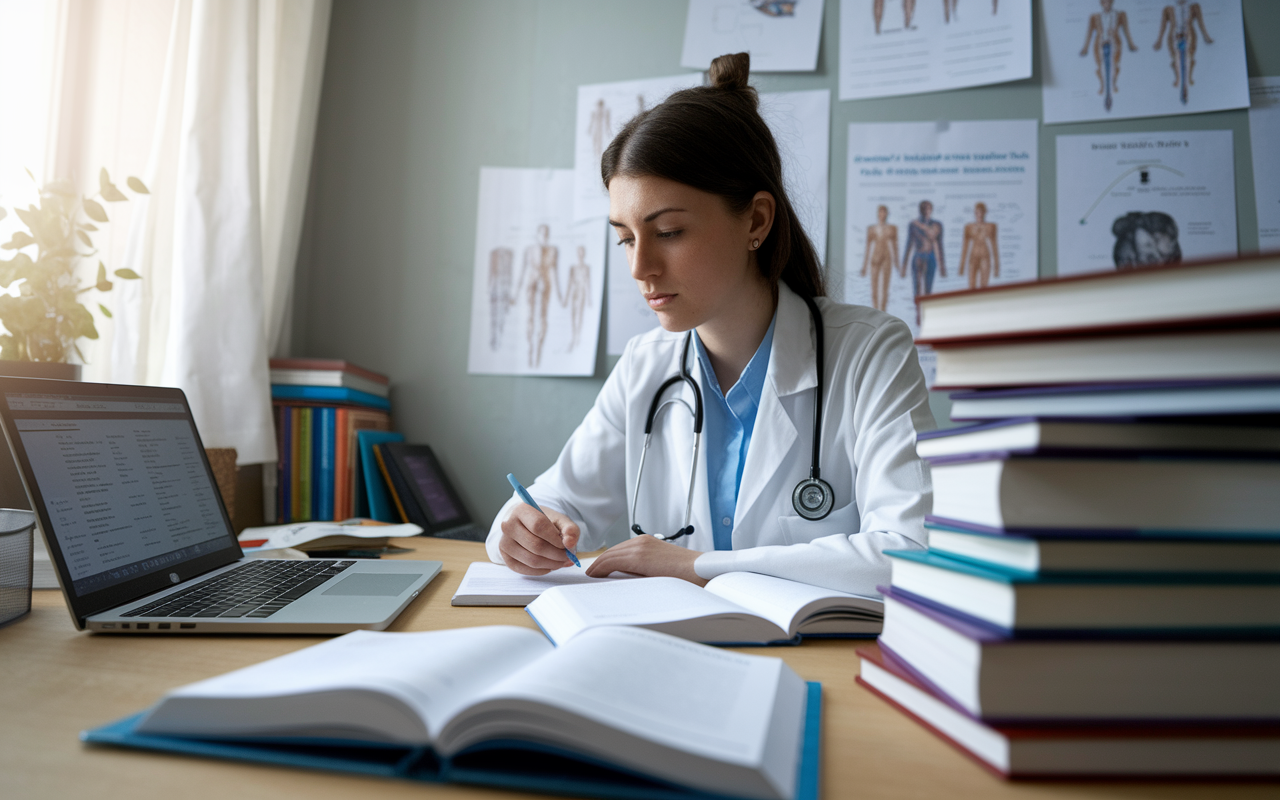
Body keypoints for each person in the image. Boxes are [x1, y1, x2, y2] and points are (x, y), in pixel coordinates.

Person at [485, 53, 932, 597]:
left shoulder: (870, 353)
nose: (640, 267)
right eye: (626, 237)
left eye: (668, 231)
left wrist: (696, 565)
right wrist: (521, 531)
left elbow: (910, 551)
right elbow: (550, 503)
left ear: (756, 221)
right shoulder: (645, 365)